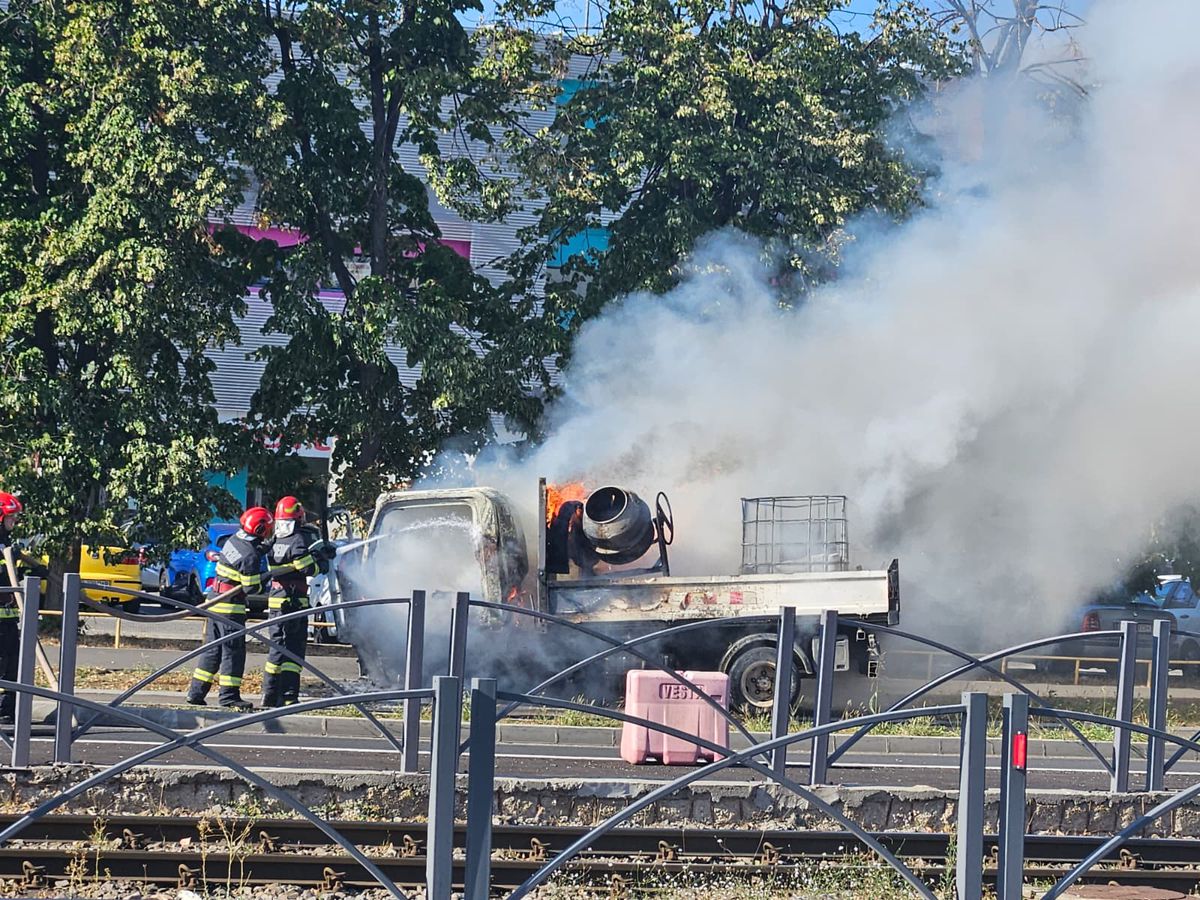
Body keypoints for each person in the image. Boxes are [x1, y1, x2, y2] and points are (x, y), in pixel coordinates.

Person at [186, 506, 273, 711]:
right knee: (233, 652)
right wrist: (269, 576)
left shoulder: (234, 540)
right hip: (230, 607)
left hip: (215, 602)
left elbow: (245, 553)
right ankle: (229, 696)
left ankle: (196, 693)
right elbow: (252, 586)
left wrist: (264, 549)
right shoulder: (250, 556)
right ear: (260, 530)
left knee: (212, 650)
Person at [261, 496, 320, 707]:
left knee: (276, 649)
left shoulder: (275, 539)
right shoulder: (296, 540)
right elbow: (307, 569)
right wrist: (319, 563)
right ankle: (289, 695)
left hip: (276, 602)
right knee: (293, 651)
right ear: (298, 517)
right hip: (294, 604)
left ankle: (269, 694)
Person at [0, 493, 25, 724]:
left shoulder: (6, 543)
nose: (14, 522)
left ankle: (7, 710)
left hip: (8, 618)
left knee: (13, 664)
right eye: (11, 517)